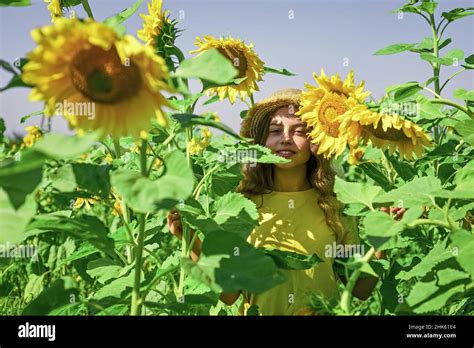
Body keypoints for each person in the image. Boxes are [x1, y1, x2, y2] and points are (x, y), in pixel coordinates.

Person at [168, 88, 385, 315]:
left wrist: (385, 238)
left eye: (299, 131)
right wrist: (191, 238)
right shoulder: (242, 206)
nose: (286, 139)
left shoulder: (334, 205)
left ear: (315, 142)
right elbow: (229, 293)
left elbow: (360, 287)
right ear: (261, 141)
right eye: (275, 130)